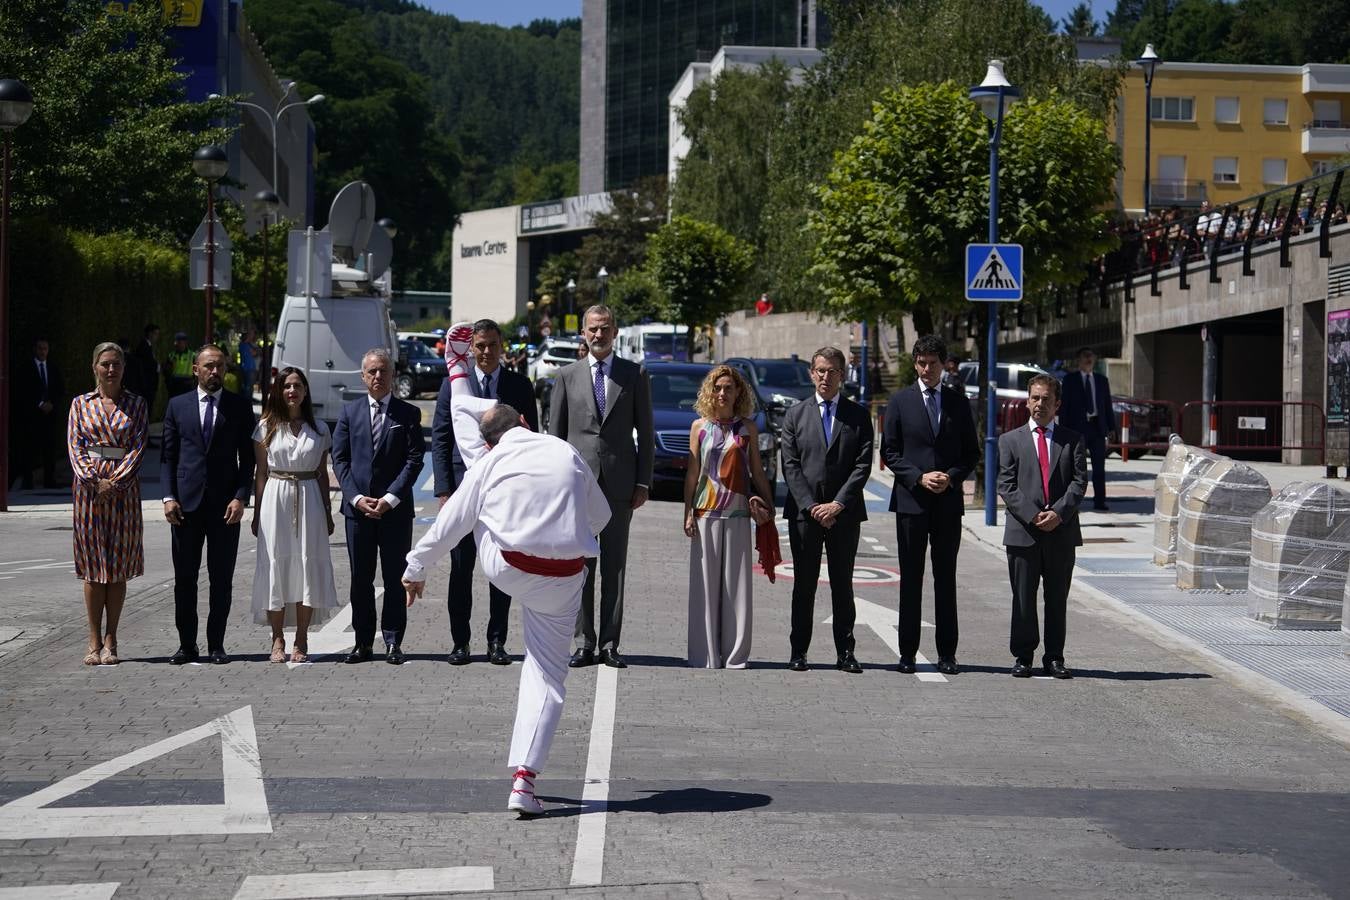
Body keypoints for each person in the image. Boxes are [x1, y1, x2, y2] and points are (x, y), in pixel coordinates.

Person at [403, 324, 611, 816]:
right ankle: (525, 780)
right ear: (524, 422)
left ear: (493, 441)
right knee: (547, 677)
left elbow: (450, 524)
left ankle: (456, 369)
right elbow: (601, 518)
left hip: (507, 566)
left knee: (476, 491)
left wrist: (415, 567)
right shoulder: (564, 451)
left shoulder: (488, 459)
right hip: (565, 579)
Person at [549, 304, 654, 669]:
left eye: (605, 328)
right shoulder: (565, 376)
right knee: (581, 566)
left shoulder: (634, 374)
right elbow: (556, 438)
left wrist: (643, 481)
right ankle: (583, 642)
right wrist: (556, 486)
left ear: (615, 332)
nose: (598, 335)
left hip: (620, 485)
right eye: (592, 329)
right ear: (583, 332)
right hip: (578, 486)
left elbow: (647, 432)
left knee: (615, 566)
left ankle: (610, 643)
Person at [430, 318, 539, 665]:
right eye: (480, 346)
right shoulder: (454, 387)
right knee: (460, 569)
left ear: (502, 346)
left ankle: (497, 642)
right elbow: (441, 440)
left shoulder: (520, 386)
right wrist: (445, 490)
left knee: (501, 569)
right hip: (464, 491)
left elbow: (531, 439)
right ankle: (460, 642)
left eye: (492, 345)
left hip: (503, 495)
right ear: (471, 348)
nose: (487, 352)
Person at [881, 335, 978, 675]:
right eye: (920, 363)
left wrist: (950, 476)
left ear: (944, 365)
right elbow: (889, 451)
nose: (926, 369)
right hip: (912, 502)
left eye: (932, 363)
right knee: (911, 577)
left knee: (945, 578)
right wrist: (918, 477)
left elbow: (971, 453)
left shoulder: (958, 403)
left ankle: (947, 653)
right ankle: (907, 652)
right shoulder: (900, 402)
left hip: (947, 503)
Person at [780, 347, 874, 674]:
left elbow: (863, 465)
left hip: (844, 515)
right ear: (811, 373)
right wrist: (811, 506)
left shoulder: (858, 416)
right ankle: (798, 651)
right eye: (820, 370)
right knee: (803, 585)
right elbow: (790, 466)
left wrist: (837, 504)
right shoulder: (795, 415)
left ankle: (845, 652)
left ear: (842, 375)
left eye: (832, 371)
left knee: (842, 584)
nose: (825, 376)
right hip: (805, 516)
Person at [161, 344, 256, 665]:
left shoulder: (240, 407)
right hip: (185, 508)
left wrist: (241, 497)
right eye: (209, 366)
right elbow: (168, 458)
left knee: (221, 579)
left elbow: (248, 461)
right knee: (185, 579)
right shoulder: (177, 406)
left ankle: (217, 645)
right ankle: (187, 645)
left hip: (224, 508)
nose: (215, 372)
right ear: (196, 369)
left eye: (220, 366)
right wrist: (168, 496)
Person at [332, 348, 425, 665]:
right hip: (357, 511)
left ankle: (393, 641)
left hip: (395, 511)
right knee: (361, 578)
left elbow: (414, 461)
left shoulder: (408, 414)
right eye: (371, 371)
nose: (378, 376)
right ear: (362, 376)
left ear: (393, 374)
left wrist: (389, 499)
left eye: (383, 371)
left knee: (395, 576)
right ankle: (362, 642)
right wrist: (356, 498)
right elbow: (340, 459)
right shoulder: (349, 413)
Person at [682, 365, 775, 669]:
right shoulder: (699, 427)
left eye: (729, 388)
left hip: (737, 513)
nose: (723, 393)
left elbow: (757, 472)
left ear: (739, 393)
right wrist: (687, 512)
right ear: (711, 391)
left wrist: (770, 509)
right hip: (705, 511)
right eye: (718, 388)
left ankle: (735, 656)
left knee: (737, 588)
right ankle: (704, 655)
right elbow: (693, 473)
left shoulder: (748, 428)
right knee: (705, 588)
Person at [997, 374, 1087, 679]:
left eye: (1046, 399)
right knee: (1023, 597)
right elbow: (1006, 485)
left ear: (1057, 404)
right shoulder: (1010, 440)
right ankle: (1023, 656)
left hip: (1061, 532)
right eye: (1035, 398)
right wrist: (1033, 515)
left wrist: (1059, 513)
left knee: (1056, 597)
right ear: (1027, 401)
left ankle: (1054, 657)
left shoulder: (1072, 440)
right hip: (1024, 532)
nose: (1040, 404)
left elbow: (1079, 482)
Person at [250, 367, 339, 664]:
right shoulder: (266, 426)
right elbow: (260, 474)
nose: (292, 391)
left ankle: (301, 638)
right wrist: (256, 512)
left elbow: (323, 475)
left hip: (310, 496)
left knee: (306, 566)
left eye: (298, 386)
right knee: (275, 564)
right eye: (287, 386)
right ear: (278, 390)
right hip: (275, 498)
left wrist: (327, 512)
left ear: (305, 391)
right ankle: (277, 638)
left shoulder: (320, 429)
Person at [68, 342, 148, 665]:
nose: (110, 370)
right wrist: (94, 482)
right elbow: (75, 446)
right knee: (92, 568)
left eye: (116, 364)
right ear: (94, 368)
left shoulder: (137, 404)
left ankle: (112, 638)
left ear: (123, 368)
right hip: (88, 495)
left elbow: (138, 446)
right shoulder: (79, 404)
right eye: (105, 364)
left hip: (123, 493)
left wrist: (116, 482)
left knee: (117, 568)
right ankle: (93, 638)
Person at [1058, 346, 1115, 511]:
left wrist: (1111, 427)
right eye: (1085, 356)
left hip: (1097, 428)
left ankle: (1100, 501)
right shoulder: (1070, 380)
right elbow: (1065, 407)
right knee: (1076, 468)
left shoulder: (1101, 380)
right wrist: (1063, 430)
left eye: (1091, 356)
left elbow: (1107, 406)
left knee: (1099, 468)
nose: (1089, 359)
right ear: (1078, 360)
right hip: (1077, 429)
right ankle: (1072, 501)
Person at [13, 338, 65, 490]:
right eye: (40, 348)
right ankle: (27, 481)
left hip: (49, 416)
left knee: (49, 448)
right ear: (35, 349)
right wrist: (39, 403)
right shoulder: (26, 368)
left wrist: (52, 403)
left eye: (45, 348)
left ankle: (49, 480)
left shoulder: (53, 367)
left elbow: (59, 388)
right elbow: (22, 389)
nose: (43, 351)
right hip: (31, 415)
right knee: (28, 449)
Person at [128, 324, 160, 417]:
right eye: (155, 334)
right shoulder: (144, 347)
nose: (157, 337)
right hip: (146, 384)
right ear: (150, 334)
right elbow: (145, 366)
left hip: (148, 384)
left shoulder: (148, 346)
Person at [163, 332, 195, 398]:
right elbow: (166, 370)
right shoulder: (171, 355)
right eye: (176, 341)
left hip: (187, 383)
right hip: (175, 384)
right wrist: (168, 383)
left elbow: (197, 369)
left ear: (185, 343)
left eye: (179, 342)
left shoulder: (192, 355)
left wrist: (194, 381)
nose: (176, 344)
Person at [237, 327, 259, 402]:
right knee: (248, 387)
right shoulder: (244, 345)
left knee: (248, 386)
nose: (252, 336)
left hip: (248, 368)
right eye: (250, 335)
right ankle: (247, 402)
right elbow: (255, 353)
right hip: (248, 368)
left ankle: (247, 400)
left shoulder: (244, 345)